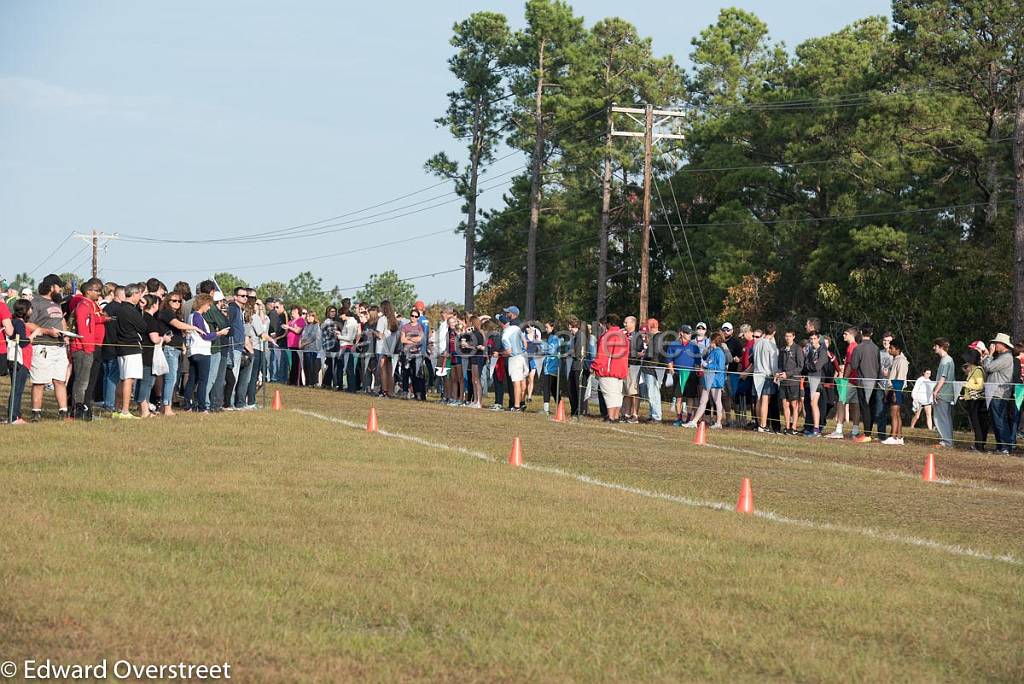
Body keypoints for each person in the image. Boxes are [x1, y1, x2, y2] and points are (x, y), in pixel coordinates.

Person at [28, 274, 70, 421]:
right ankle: (36, 413)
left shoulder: (56, 302)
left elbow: (61, 320)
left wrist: (65, 334)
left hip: (59, 347)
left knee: (59, 380)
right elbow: (28, 324)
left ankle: (63, 413)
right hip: (43, 346)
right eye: (59, 286)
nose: (60, 289)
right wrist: (47, 331)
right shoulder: (36, 303)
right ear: (52, 287)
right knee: (39, 381)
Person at [68, 278, 106, 421]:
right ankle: (77, 411)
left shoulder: (90, 305)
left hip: (89, 348)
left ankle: (84, 410)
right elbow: (84, 329)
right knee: (81, 381)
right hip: (84, 349)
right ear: (88, 291)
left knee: (86, 381)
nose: (99, 293)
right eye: (96, 290)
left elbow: (95, 321)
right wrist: (88, 348)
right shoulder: (84, 305)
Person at [184, 294, 227, 413]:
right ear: (203, 304)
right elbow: (205, 336)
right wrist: (219, 333)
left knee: (193, 379)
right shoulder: (197, 316)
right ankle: (202, 407)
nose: (209, 308)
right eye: (208, 305)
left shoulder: (192, 316)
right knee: (203, 380)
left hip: (194, 351)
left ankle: (187, 404)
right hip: (202, 352)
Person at [155, 290, 195, 416]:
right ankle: (167, 407)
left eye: (179, 301)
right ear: (168, 301)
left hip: (176, 349)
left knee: (173, 379)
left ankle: (164, 406)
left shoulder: (175, 314)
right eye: (174, 300)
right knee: (170, 379)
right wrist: (195, 327)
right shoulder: (166, 313)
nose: (177, 303)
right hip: (170, 349)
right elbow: (177, 325)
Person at [684, 331, 727, 429]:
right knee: (703, 402)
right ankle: (694, 422)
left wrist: (707, 365)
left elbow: (720, 367)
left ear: (714, 341)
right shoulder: (712, 351)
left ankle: (718, 423)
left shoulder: (719, 352)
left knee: (717, 401)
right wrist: (704, 364)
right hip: (708, 380)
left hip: (715, 381)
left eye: (710, 340)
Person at [591, 314, 628, 422]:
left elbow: (602, 354)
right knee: (617, 394)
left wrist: (594, 366)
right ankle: (616, 416)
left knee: (609, 394)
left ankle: (611, 417)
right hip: (621, 370)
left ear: (608, 323)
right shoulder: (623, 336)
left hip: (608, 370)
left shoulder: (607, 336)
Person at [981, 333, 1014, 454]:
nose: (994, 345)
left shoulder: (1006, 358)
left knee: (1000, 420)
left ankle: (1005, 447)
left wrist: (989, 354)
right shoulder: (1001, 357)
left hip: (999, 393)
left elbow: (988, 367)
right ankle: (1000, 446)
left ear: (1003, 345)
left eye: (996, 343)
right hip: (995, 392)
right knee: (996, 421)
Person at [4, 299, 36, 424]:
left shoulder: (17, 322)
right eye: (30, 308)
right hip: (19, 359)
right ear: (25, 310)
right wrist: (34, 335)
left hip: (22, 360)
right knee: (17, 388)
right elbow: (22, 343)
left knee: (18, 388)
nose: (31, 311)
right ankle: (13, 417)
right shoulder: (18, 323)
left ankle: (15, 414)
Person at [849, 324, 882, 443]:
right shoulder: (876, 348)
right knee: (871, 407)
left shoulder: (858, 348)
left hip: (863, 382)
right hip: (875, 381)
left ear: (861, 333)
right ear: (872, 333)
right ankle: (869, 432)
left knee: (865, 408)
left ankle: (867, 434)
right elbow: (879, 366)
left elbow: (853, 365)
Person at [135, 295, 166, 418]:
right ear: (154, 305)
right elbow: (154, 338)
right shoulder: (150, 319)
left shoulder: (140, 317)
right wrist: (163, 338)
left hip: (140, 353)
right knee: (147, 382)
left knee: (141, 382)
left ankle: (141, 407)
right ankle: (144, 410)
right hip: (148, 355)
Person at [828, 327, 860, 439]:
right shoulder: (857, 347)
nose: (843, 336)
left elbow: (850, 364)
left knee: (841, 402)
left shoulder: (851, 347)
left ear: (852, 335)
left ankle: (839, 430)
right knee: (855, 405)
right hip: (857, 381)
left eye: (845, 334)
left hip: (850, 380)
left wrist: (844, 379)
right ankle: (855, 431)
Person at [666, 324, 700, 427]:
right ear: (681, 333)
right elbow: (669, 360)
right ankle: (679, 418)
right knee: (679, 397)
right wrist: (672, 371)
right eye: (687, 333)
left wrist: (697, 372)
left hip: (691, 374)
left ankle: (689, 418)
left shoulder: (694, 346)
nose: (690, 335)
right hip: (678, 373)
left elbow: (698, 362)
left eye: (690, 333)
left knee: (690, 397)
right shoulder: (674, 344)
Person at [776, 329, 805, 435]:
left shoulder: (798, 349)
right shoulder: (782, 349)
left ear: (793, 337)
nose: (787, 338)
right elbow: (780, 365)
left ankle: (794, 427)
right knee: (785, 404)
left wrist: (788, 374)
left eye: (789, 336)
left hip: (793, 381)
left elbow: (800, 366)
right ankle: (787, 426)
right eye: (786, 336)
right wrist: (778, 373)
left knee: (794, 405)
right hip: (783, 382)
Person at [881, 338, 909, 445]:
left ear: (897, 349)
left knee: (894, 414)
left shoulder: (902, 361)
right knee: (896, 414)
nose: (889, 350)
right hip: (893, 389)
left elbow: (900, 378)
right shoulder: (896, 359)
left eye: (891, 348)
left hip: (897, 389)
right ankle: (899, 437)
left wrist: (895, 393)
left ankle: (893, 436)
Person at [752, 323, 779, 433]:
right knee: (765, 400)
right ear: (774, 333)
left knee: (758, 400)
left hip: (756, 374)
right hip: (766, 375)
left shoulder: (757, 344)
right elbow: (773, 364)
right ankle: (763, 425)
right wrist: (775, 374)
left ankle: (759, 424)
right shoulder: (771, 346)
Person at [961, 347, 988, 452]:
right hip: (972, 399)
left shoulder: (977, 370)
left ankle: (979, 446)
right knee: (976, 424)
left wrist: (966, 384)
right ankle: (978, 445)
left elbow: (980, 385)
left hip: (975, 401)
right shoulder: (973, 370)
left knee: (977, 424)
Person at [500, 312, 528, 411]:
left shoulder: (505, 335)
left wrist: (500, 354)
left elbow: (509, 351)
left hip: (514, 358)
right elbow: (525, 342)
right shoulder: (517, 328)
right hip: (523, 357)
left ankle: (516, 406)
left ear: (502, 324)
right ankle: (521, 403)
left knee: (516, 383)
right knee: (521, 382)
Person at [802, 330, 829, 436]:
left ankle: (817, 429)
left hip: (819, 380)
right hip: (810, 379)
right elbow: (805, 365)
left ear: (818, 338)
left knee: (814, 403)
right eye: (811, 339)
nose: (812, 341)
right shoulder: (809, 349)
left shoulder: (822, 349)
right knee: (810, 404)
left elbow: (818, 366)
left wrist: (811, 366)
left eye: (814, 338)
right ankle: (811, 427)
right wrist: (810, 365)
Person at [640, 318, 665, 424]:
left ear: (652, 326)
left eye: (648, 326)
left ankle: (656, 416)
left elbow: (653, 353)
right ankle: (652, 414)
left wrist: (643, 354)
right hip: (648, 368)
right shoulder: (656, 337)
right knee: (651, 393)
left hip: (652, 368)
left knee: (653, 393)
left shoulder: (658, 337)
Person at [932, 338, 956, 448]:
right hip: (944, 393)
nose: (934, 348)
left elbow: (943, 377)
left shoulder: (946, 360)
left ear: (941, 347)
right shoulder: (946, 360)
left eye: (935, 346)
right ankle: (947, 441)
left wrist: (935, 391)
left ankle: (947, 442)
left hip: (944, 393)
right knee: (944, 417)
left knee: (942, 417)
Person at [400, 308, 426, 400]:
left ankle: (418, 393)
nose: (413, 318)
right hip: (406, 353)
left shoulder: (420, 327)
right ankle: (405, 392)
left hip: (417, 353)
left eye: (416, 316)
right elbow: (402, 339)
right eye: (412, 316)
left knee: (417, 374)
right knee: (405, 373)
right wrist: (413, 339)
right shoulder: (405, 326)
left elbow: (420, 339)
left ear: (418, 318)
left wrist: (409, 338)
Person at [299, 310, 322, 388]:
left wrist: (304, 344)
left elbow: (313, 337)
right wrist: (301, 343)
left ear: (313, 317)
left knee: (311, 366)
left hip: (313, 349)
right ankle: (308, 382)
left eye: (309, 316)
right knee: (306, 366)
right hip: (305, 349)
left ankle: (312, 383)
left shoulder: (316, 325)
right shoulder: (306, 326)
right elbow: (303, 336)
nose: (307, 317)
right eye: (307, 316)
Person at [284, 306, 306, 386]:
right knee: (292, 363)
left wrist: (289, 327)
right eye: (292, 310)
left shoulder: (300, 320)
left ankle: (297, 381)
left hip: (297, 345)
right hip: (290, 345)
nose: (292, 312)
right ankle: (292, 380)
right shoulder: (291, 321)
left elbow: (298, 331)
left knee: (297, 364)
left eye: (294, 310)